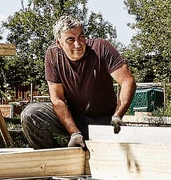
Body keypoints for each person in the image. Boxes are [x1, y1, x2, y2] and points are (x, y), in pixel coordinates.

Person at [21, 15, 136, 150]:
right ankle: (53, 162)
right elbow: (57, 99)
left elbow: (128, 81)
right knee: (31, 114)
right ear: (59, 43)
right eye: (70, 40)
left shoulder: (101, 48)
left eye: (81, 37)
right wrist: (74, 132)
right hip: (75, 119)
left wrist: (118, 115)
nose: (78, 44)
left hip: (106, 121)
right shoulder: (53, 55)